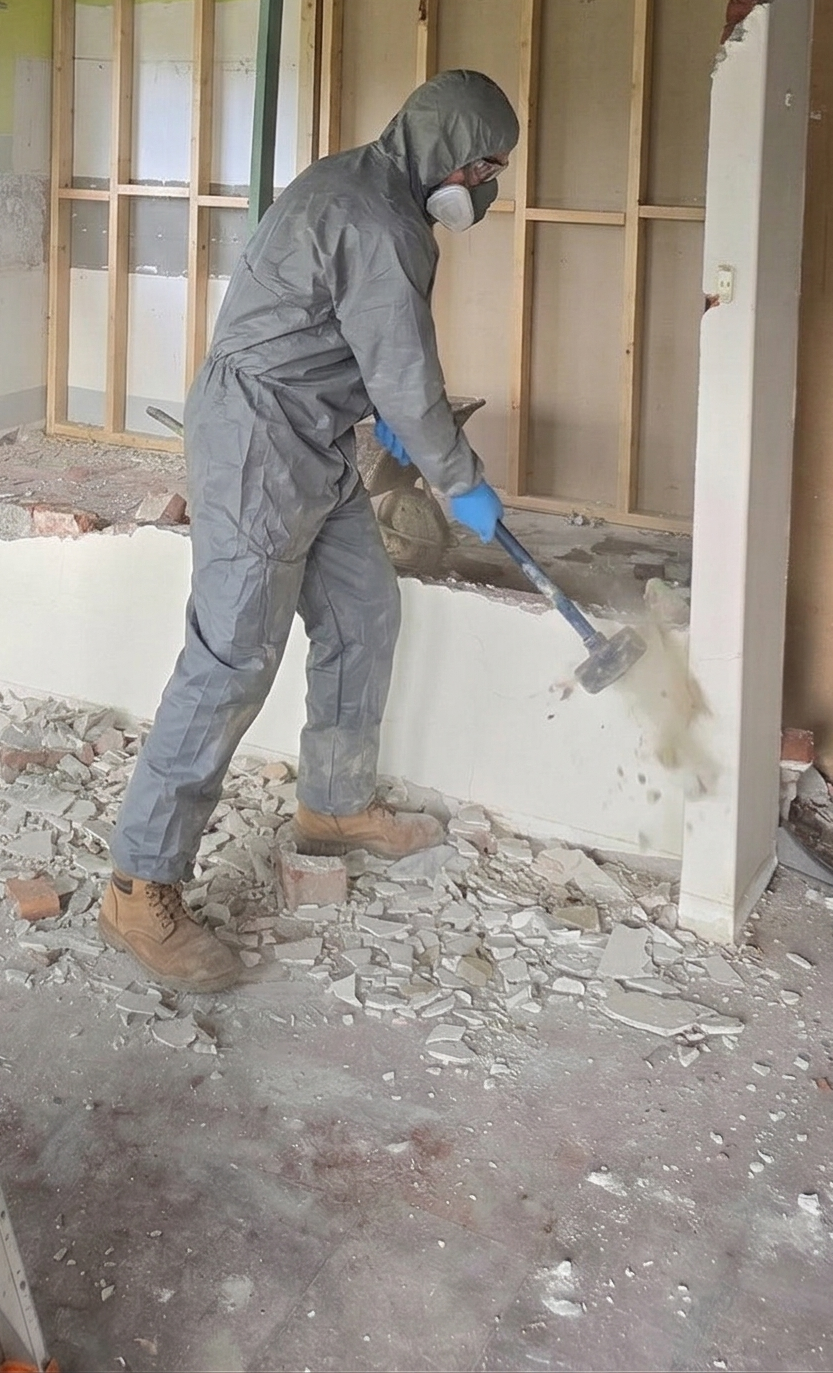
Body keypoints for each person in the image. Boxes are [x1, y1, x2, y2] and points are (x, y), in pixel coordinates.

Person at [101, 69, 520, 990]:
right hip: (260, 443)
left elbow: (372, 355)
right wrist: (463, 482)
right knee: (230, 662)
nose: (487, 185)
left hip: (315, 436)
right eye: (485, 165)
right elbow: (405, 374)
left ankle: (331, 805)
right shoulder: (377, 221)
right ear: (447, 152)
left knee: (364, 614)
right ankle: (139, 884)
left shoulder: (365, 184)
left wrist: (407, 431)